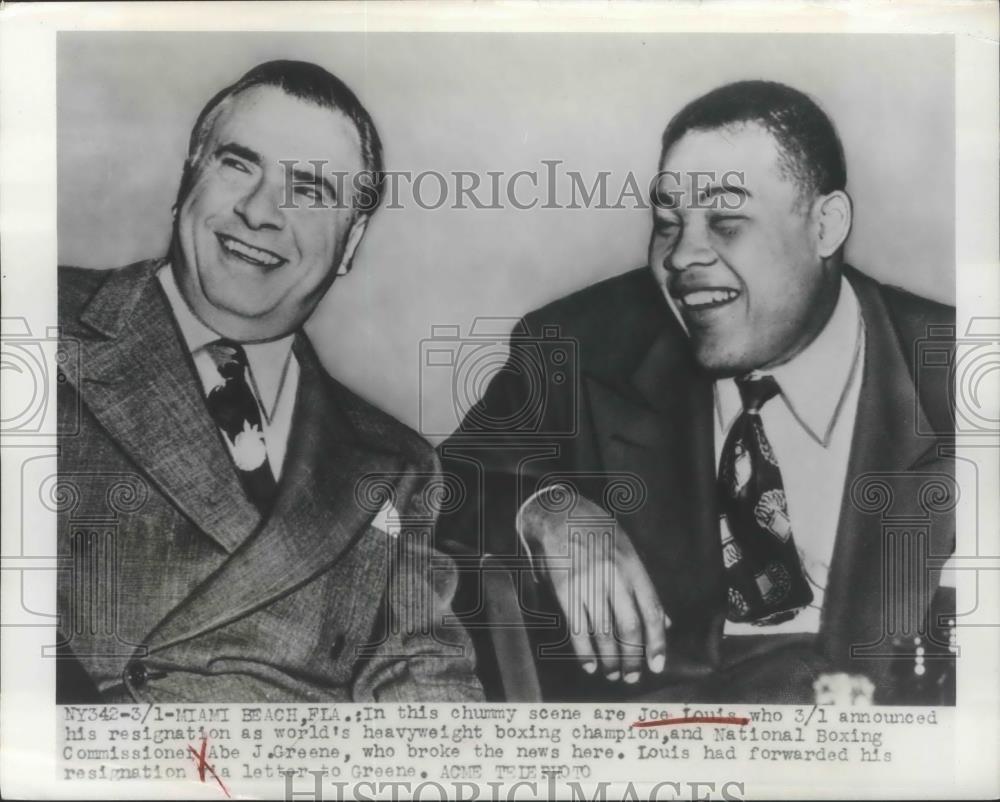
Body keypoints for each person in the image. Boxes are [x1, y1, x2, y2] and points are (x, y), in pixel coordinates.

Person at [437, 80, 955, 704]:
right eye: (667, 224)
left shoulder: (958, 372)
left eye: (726, 221)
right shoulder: (579, 346)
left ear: (826, 225)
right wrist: (546, 509)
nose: (682, 255)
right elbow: (440, 486)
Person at [56, 60, 482, 703]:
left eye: (309, 190)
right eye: (238, 165)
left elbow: (422, 675)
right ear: (188, 178)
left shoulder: (397, 463)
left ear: (351, 242)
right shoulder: (33, 325)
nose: (260, 212)